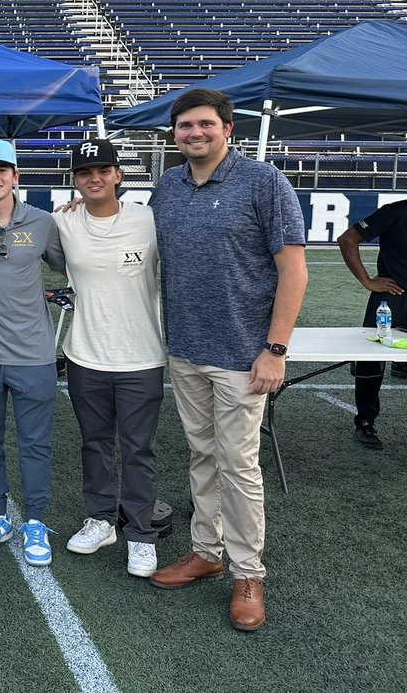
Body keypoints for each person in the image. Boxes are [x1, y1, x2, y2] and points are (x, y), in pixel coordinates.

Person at [148, 88, 307, 633]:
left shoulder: (263, 182)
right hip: (186, 349)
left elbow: (294, 271)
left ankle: (248, 572)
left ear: (227, 128)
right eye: (185, 125)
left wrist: (275, 349)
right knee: (202, 455)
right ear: (173, 133)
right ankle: (206, 549)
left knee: (239, 465)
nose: (194, 133)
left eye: (205, 124)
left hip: (243, 355)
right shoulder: (166, 186)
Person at [53, 139, 166, 578]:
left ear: (119, 174)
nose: (94, 178)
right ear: (75, 181)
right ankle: (101, 520)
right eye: (84, 172)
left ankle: (140, 533)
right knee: (95, 444)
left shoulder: (148, 219)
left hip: (141, 357)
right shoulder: (63, 223)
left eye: (103, 169)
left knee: (139, 449)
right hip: (85, 355)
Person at [0, 139, 65, 567]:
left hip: (34, 354)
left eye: (2, 170)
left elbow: (67, 262)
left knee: (35, 442)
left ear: (16, 176)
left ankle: (36, 520)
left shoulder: (43, 223)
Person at [338, 165, 407, 450]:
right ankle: (365, 423)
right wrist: (368, 281)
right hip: (390, 300)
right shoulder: (395, 212)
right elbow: (348, 239)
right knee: (371, 362)